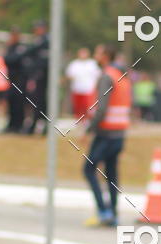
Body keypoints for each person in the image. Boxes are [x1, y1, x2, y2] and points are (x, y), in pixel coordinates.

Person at [82, 44, 131, 227]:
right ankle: (113, 213)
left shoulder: (106, 77)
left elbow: (101, 109)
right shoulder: (122, 77)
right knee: (112, 174)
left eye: (97, 52)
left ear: (104, 56)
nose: (95, 56)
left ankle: (103, 211)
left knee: (88, 169)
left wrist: (89, 130)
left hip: (105, 133)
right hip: (119, 133)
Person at [23, 19, 49, 135]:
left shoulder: (45, 41)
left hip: (43, 76)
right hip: (37, 75)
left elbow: (34, 53)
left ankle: (40, 124)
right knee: (37, 100)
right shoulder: (37, 41)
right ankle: (36, 124)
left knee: (41, 101)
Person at [65, 47, 100, 125]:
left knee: (88, 107)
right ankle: (79, 121)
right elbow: (69, 75)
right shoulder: (74, 64)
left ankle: (87, 121)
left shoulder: (92, 64)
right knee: (78, 107)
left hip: (89, 89)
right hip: (77, 89)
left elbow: (98, 75)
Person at [2, 29, 27, 132]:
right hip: (11, 80)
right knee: (11, 102)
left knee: (18, 103)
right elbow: (5, 59)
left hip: (20, 80)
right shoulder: (10, 47)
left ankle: (18, 125)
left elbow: (12, 59)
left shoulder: (20, 48)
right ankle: (11, 124)